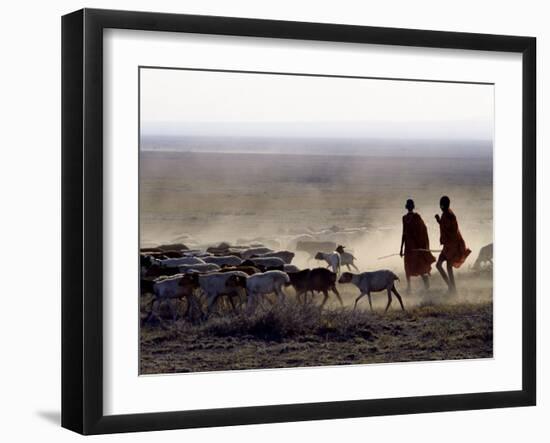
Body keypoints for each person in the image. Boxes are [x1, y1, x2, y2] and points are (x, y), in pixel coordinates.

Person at [435, 196, 471, 293]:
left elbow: (453, 232)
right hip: (447, 246)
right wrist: (439, 221)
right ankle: (451, 287)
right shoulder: (445, 214)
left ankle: (453, 289)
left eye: (441, 205)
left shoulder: (450, 216)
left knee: (448, 267)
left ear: (443, 205)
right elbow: (445, 227)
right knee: (439, 265)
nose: (440, 207)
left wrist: (440, 222)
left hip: (452, 246)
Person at [399, 199, 435, 293]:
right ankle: (409, 286)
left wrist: (420, 243)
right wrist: (401, 248)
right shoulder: (405, 218)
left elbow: (422, 230)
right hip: (409, 246)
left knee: (417, 264)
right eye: (409, 205)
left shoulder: (416, 217)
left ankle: (424, 282)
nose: (410, 207)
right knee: (407, 265)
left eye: (410, 205)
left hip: (414, 246)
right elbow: (404, 233)